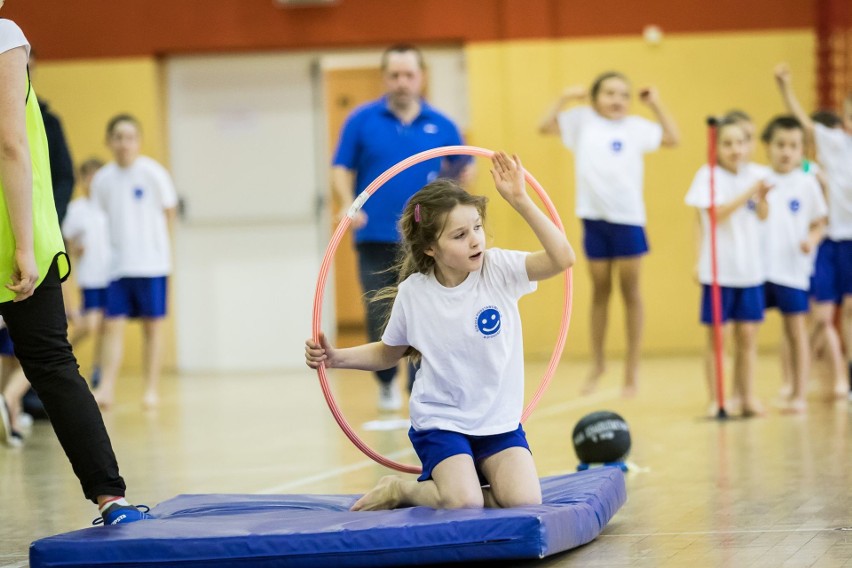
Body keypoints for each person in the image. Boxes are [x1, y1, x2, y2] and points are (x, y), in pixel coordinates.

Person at [307, 152, 575, 511]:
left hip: (498, 420)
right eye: (460, 235)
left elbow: (562, 258)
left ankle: (455, 486)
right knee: (463, 502)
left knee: (524, 501)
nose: (476, 240)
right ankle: (401, 490)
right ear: (431, 248)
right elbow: (389, 352)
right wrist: (336, 357)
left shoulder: (498, 269)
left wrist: (520, 199)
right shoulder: (415, 293)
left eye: (477, 227)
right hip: (442, 420)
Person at [0, 8, 148, 524]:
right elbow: (11, 144)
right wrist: (23, 244)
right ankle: (111, 499)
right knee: (52, 365)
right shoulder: (5, 36)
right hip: (12, 237)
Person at [331, 44, 472, 411]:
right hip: (375, 234)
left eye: (409, 75)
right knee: (381, 311)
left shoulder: (442, 124)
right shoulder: (361, 120)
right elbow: (340, 167)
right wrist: (349, 203)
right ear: (384, 78)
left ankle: (419, 382)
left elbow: (462, 170)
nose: (402, 82)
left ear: (421, 77)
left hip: (427, 241)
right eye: (394, 75)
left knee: (426, 310)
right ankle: (385, 382)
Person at [538, 71, 680, 397]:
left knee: (630, 292)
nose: (617, 100)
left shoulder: (636, 127)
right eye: (609, 93)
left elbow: (673, 137)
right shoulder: (582, 121)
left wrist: (656, 104)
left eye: (623, 95)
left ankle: (632, 370)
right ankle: (598, 363)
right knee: (600, 291)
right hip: (593, 219)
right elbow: (545, 126)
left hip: (629, 219)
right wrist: (564, 98)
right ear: (595, 97)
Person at [685, 117, 772, 417]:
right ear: (717, 146)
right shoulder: (707, 176)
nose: (735, 149)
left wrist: (763, 197)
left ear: (749, 145)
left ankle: (746, 396)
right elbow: (716, 214)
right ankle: (717, 398)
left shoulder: (760, 174)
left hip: (750, 270)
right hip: (718, 271)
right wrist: (751, 191)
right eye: (727, 143)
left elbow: (762, 216)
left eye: (740, 142)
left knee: (747, 336)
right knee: (717, 337)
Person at [775, 63, 852, 401]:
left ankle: (843, 375)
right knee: (821, 315)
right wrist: (785, 87)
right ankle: (801, 376)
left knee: (845, 312)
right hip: (829, 241)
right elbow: (803, 123)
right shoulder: (830, 148)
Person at [90, 114, 177, 410]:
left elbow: (169, 213)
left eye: (129, 137)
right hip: (117, 266)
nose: (124, 144)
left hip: (152, 265)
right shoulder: (102, 180)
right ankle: (107, 388)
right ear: (109, 141)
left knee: (153, 327)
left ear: (138, 141)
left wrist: (156, 248)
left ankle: (151, 390)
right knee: (112, 325)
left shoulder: (154, 173)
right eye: (118, 137)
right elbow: (100, 219)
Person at [759, 116, 828, 413]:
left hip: (792, 270)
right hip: (758, 269)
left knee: (795, 330)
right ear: (768, 147)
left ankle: (798, 393)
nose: (786, 152)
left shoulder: (807, 183)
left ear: (803, 149)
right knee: (746, 332)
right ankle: (743, 394)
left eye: (793, 146)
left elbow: (820, 222)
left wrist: (811, 240)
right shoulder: (758, 179)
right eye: (780, 145)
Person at [61, 158, 109, 388]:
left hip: (111, 275)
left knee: (107, 325)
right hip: (91, 276)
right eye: (88, 176)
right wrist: (75, 251)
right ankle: (60, 356)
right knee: (89, 324)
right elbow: (65, 245)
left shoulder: (109, 206)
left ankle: (99, 369)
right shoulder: (76, 210)